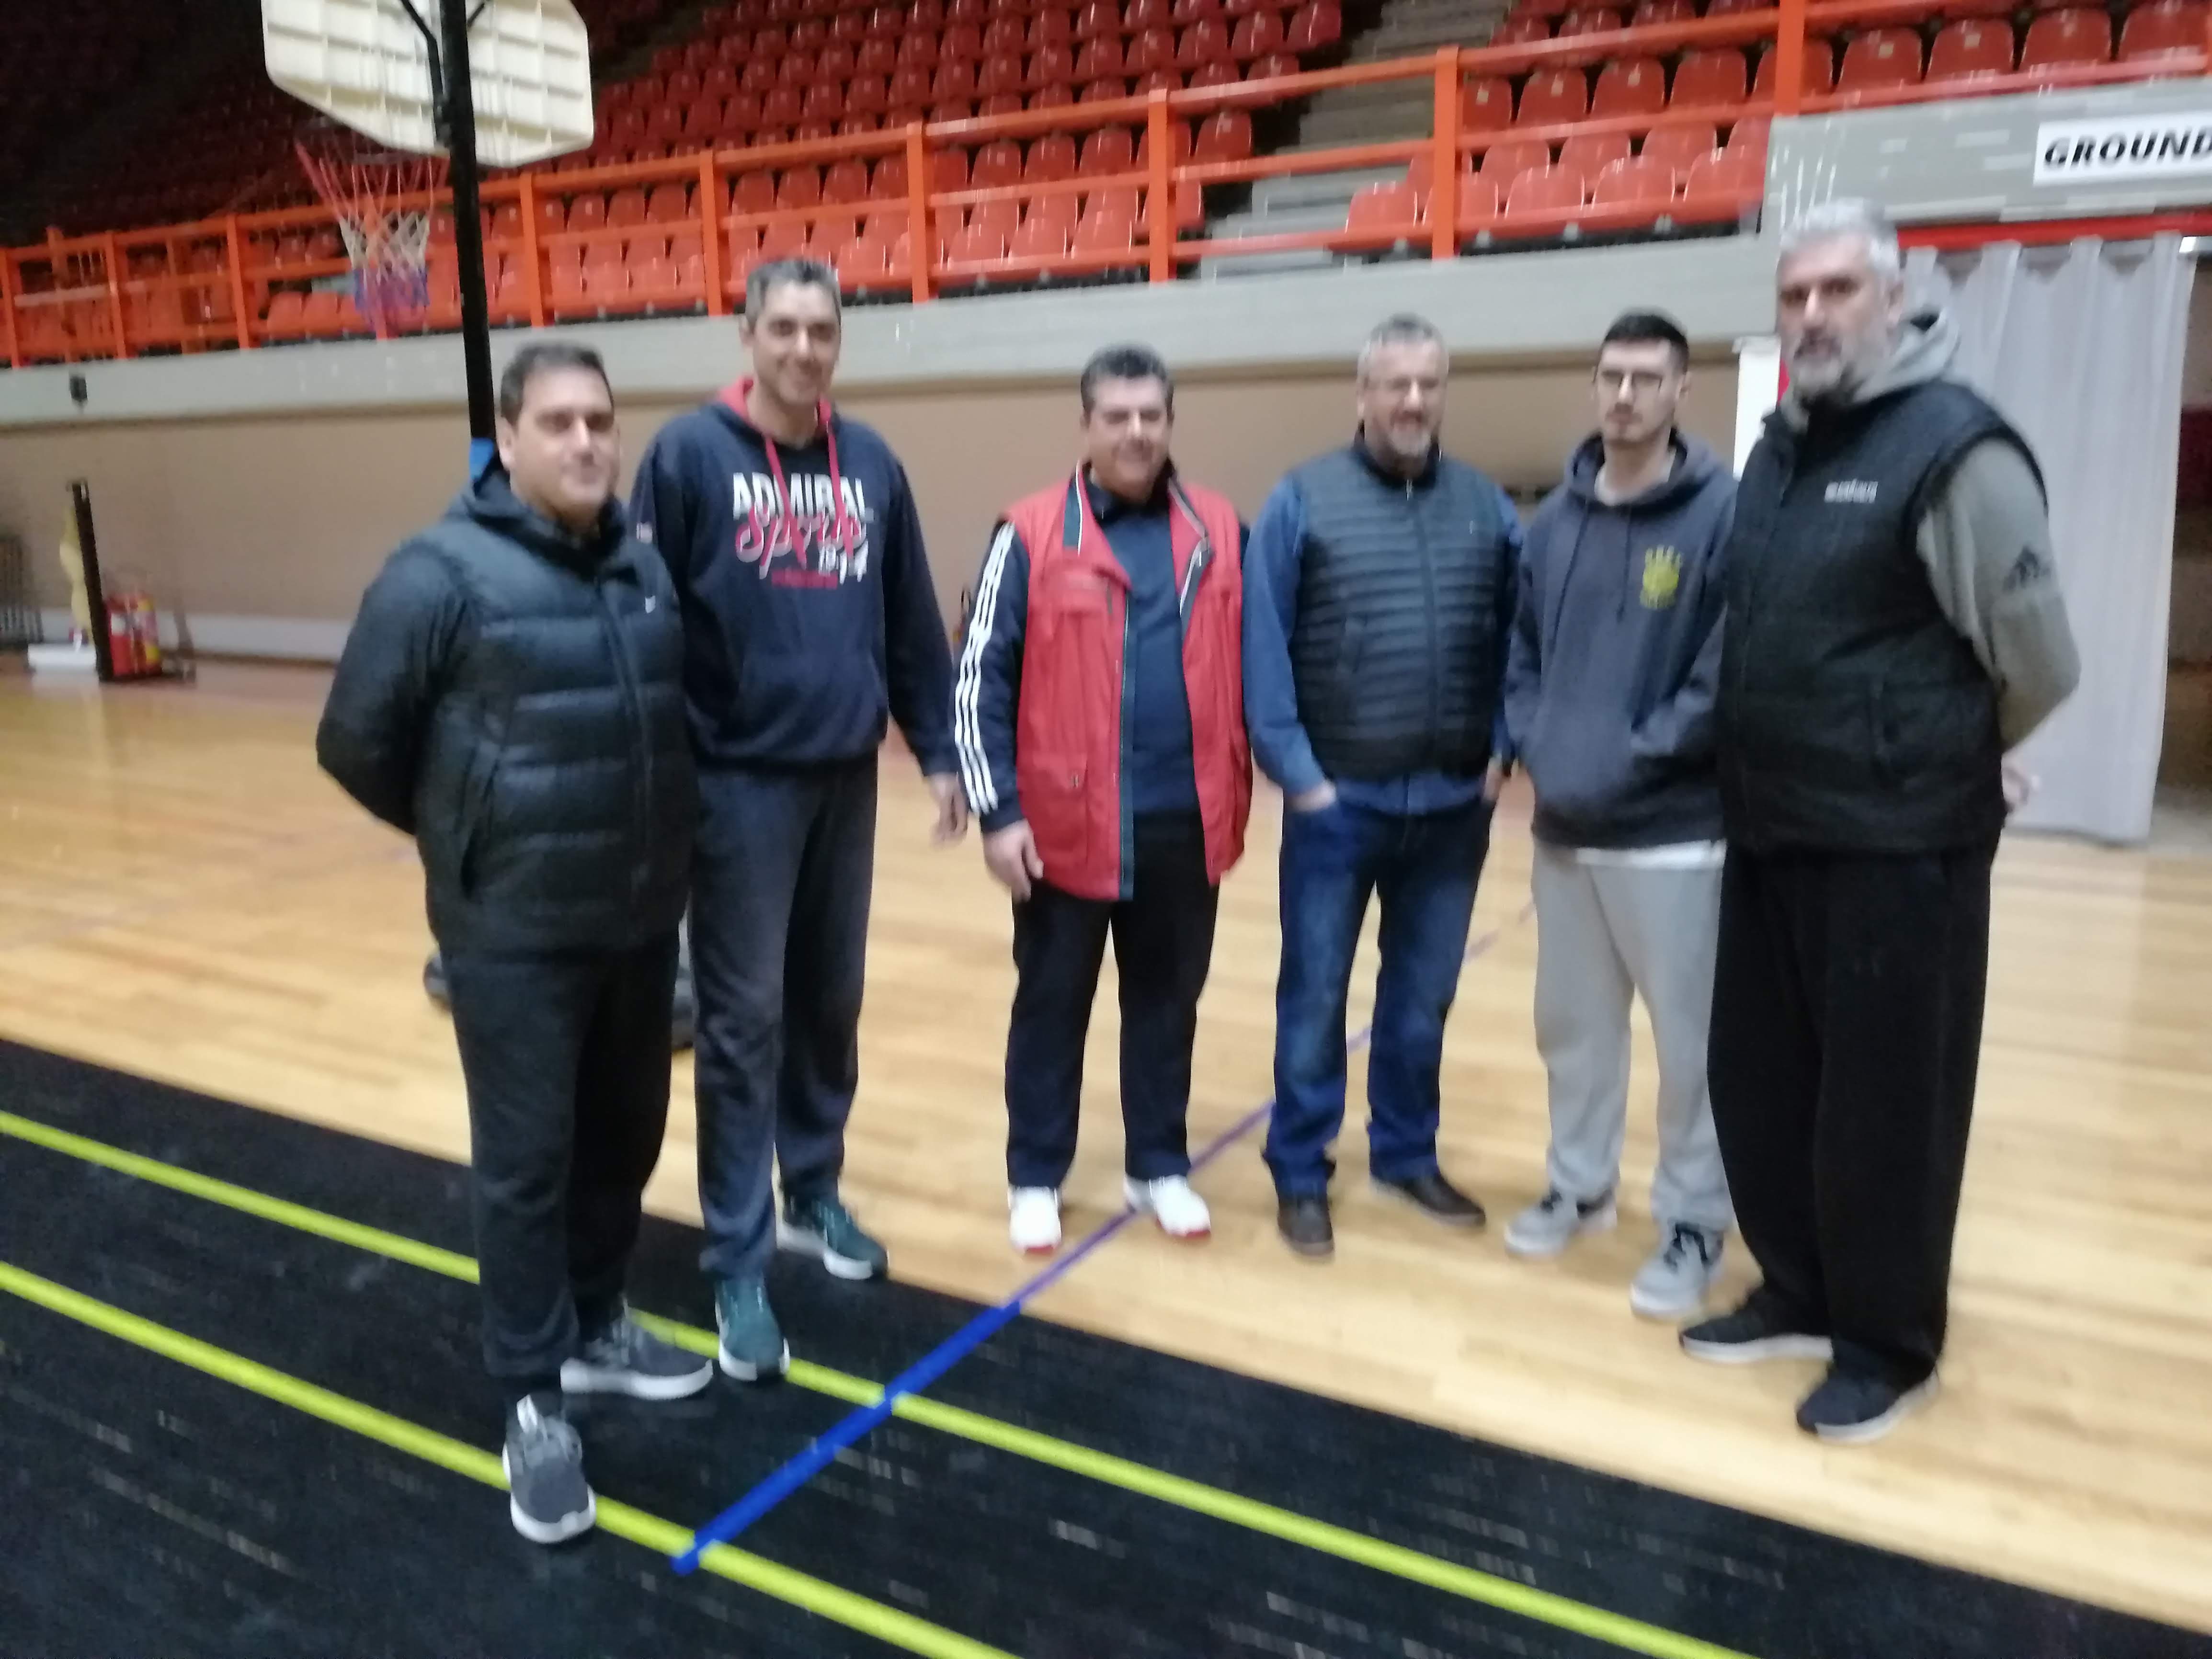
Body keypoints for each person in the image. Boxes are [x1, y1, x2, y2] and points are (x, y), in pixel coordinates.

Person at [1685, 199, 2079, 1442]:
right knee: (1764, 1086)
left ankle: (1885, 1344)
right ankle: (1799, 1292)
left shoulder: (1956, 448)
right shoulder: (1778, 448)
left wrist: (1951, 754)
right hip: (1770, 830)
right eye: (1793, 294)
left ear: (1896, 298)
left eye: (1837, 290)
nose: (1811, 315)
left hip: (1899, 848)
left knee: (1887, 1107)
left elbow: (2038, 663)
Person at [317, 342, 710, 1545]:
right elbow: (354, 740)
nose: (586, 440)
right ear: (507, 437)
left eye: (601, 418)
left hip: (636, 923)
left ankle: (597, 1322)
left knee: (624, 1137)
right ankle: (534, 1401)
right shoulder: (438, 572)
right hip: (514, 935)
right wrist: (471, 836)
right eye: (558, 421)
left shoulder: (641, 563)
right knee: (528, 1165)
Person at [629, 258, 966, 1384]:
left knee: (829, 1000)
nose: (803, 348)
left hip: (843, 779)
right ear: (746, 334)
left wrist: (938, 751)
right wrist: (661, 776)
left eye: (821, 330)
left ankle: (811, 1186)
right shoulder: (686, 456)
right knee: (741, 1022)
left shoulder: (870, 463)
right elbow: (645, 620)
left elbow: (909, 618)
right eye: (782, 327)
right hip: (735, 786)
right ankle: (736, 1256)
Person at [953, 344, 1251, 1256]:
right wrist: (997, 812)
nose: (1135, 432)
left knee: (1167, 1005)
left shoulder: (1219, 528)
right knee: (1051, 1008)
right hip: (1065, 831)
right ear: (1085, 426)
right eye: (1116, 416)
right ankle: (1035, 1176)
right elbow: (978, 677)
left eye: (1150, 415)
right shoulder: (1029, 533)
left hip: (1183, 824)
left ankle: (1156, 1164)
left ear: (1170, 422)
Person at [1244, 313, 1520, 1261]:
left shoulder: (1487, 507)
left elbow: (1518, 642)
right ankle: (1298, 1169)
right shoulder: (1301, 500)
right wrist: (1301, 781)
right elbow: (1262, 650)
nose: (1411, 400)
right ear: (1360, 393)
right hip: (1338, 807)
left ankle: (1404, 1153)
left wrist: (1501, 752)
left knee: (1420, 998)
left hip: (1451, 808)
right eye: (1394, 384)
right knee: (1314, 995)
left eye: (1427, 384)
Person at [1499, 311, 1736, 1319]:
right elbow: (1520, 657)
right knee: (1574, 1031)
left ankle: (1693, 1218)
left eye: (1646, 378)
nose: (1625, 395)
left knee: (1692, 1048)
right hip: (1564, 830)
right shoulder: (1552, 523)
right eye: (1610, 376)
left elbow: (1722, 676)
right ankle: (1579, 1183)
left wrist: (1627, 760)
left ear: (1682, 390)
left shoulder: (1724, 514)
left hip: (1674, 836)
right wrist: (1538, 742)